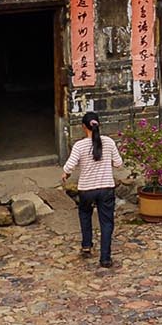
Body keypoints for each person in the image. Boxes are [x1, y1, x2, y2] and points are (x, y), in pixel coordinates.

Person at [58, 110, 123, 268]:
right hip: (106, 187)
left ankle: (87, 245)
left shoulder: (79, 146)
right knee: (106, 222)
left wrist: (65, 175)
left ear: (83, 127)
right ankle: (105, 258)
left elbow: (69, 166)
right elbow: (118, 163)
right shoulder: (108, 142)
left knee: (85, 214)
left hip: (87, 188)